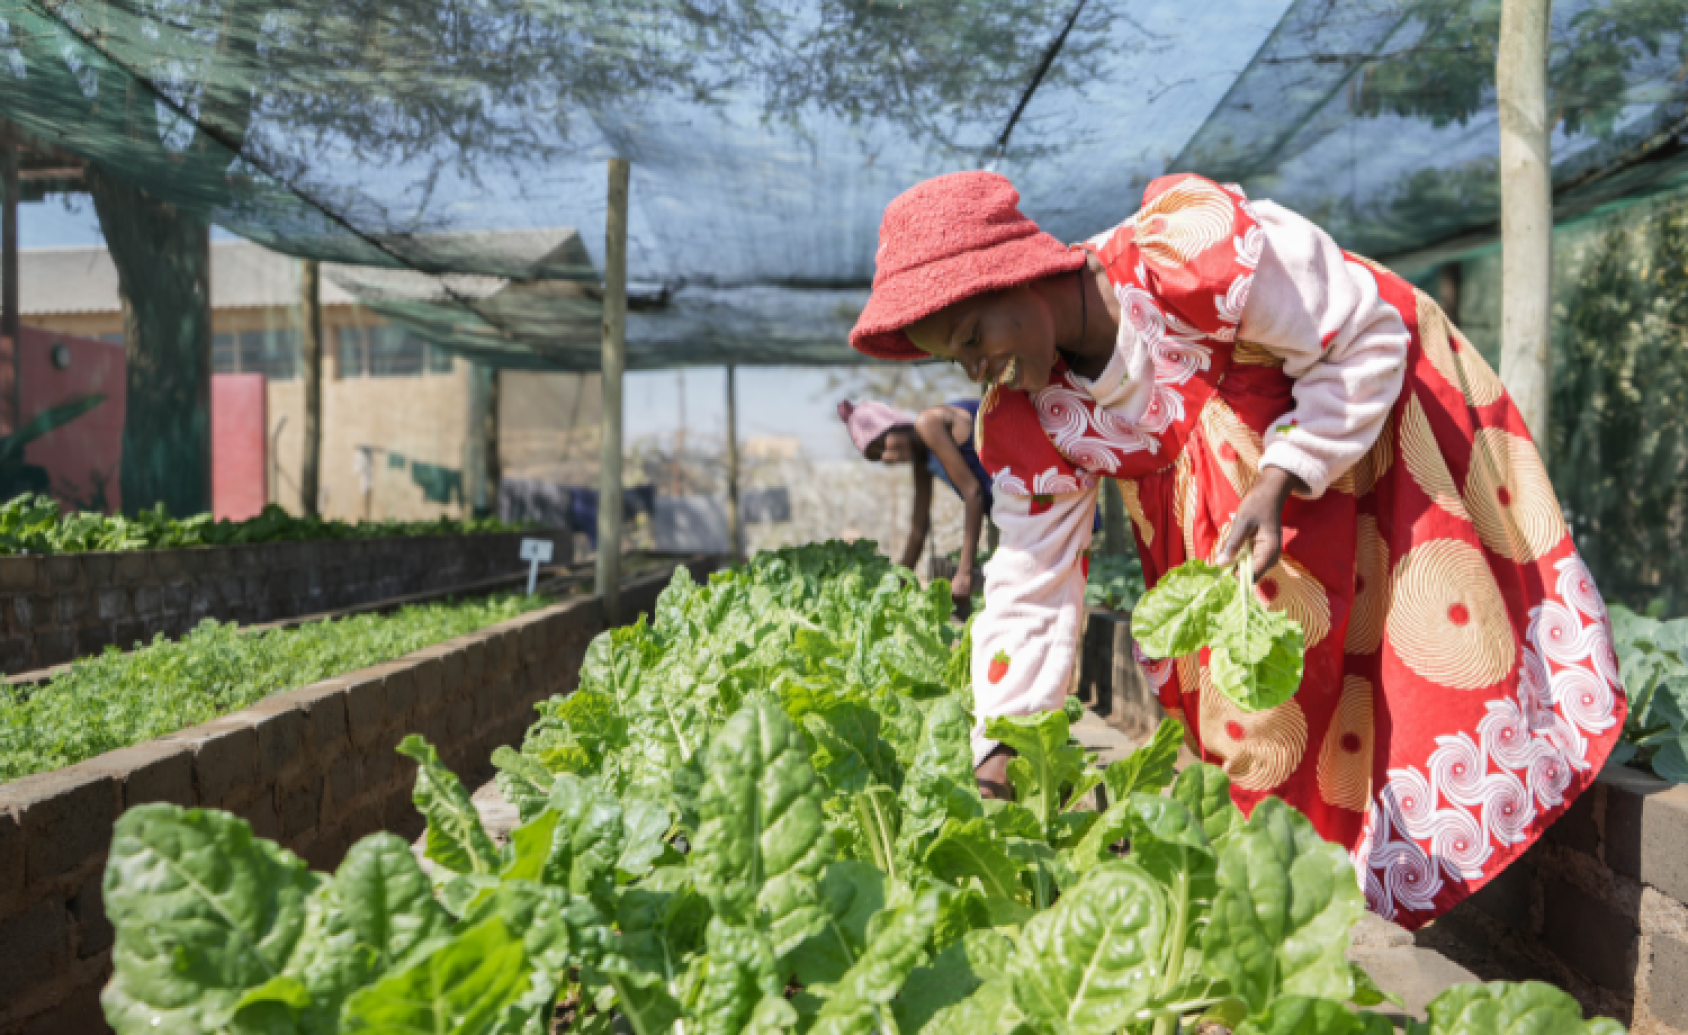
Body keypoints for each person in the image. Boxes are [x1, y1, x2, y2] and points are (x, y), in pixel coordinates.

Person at [847, 170, 1626, 930]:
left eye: (974, 337)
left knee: (1426, 643)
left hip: (1368, 423)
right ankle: (1275, 935)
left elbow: (1360, 333)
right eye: (956, 359)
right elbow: (1029, 580)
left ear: (1021, 276)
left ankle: (1357, 898)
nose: (976, 369)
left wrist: (1285, 472)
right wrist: (1004, 739)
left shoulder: (1183, 254)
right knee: (1259, 721)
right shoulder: (1025, 418)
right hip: (1244, 523)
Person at [839, 397, 992, 616]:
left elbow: (973, 492)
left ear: (896, 425)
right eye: (879, 458)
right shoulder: (922, 459)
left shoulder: (929, 423)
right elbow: (918, 530)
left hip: (1034, 500)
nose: (888, 458)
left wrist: (965, 572)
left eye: (882, 445)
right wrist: (899, 582)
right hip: (1012, 511)